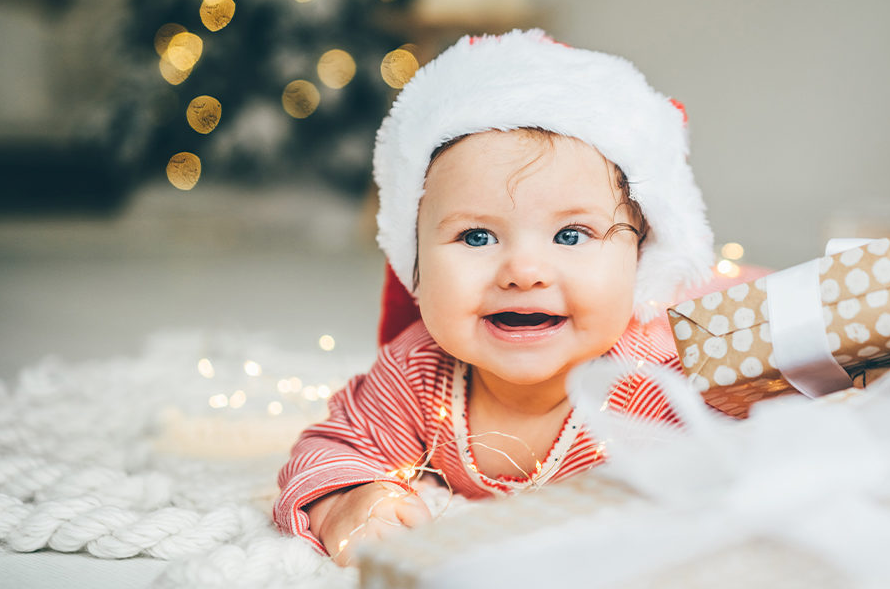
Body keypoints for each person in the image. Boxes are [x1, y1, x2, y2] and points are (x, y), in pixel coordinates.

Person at [273, 28, 715, 565]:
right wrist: (349, 501)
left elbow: (789, 436)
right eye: (477, 236)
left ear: (642, 259)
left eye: (571, 235)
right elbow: (335, 447)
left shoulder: (661, 379)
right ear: (415, 262)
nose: (524, 272)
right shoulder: (417, 373)